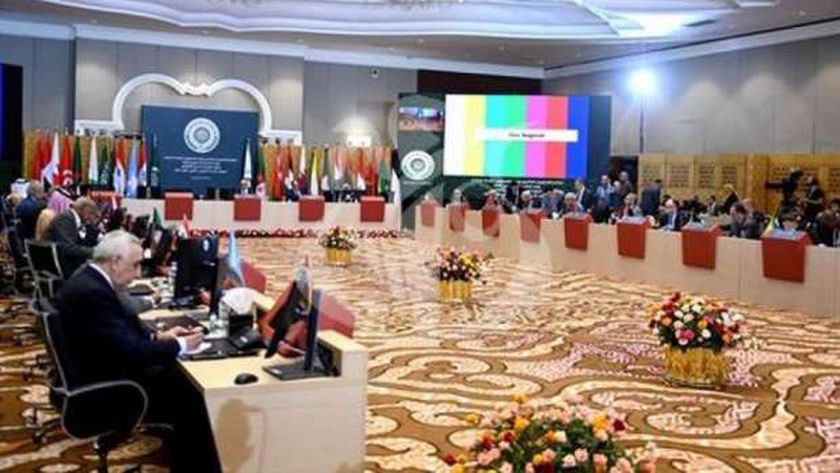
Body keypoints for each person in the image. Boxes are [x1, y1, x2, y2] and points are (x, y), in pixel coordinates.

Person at [55, 231, 220, 472]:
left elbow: (113, 338)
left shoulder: (90, 281)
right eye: (135, 265)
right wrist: (182, 345)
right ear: (115, 262)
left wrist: (158, 337)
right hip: (106, 388)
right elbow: (130, 352)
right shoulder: (93, 292)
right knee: (193, 393)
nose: (139, 273)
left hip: (96, 369)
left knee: (180, 378)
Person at [43, 197, 100, 277]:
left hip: (66, 261)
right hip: (60, 265)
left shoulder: (73, 219)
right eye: (91, 213)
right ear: (82, 209)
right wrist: (95, 252)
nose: (92, 217)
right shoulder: (65, 218)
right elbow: (68, 248)